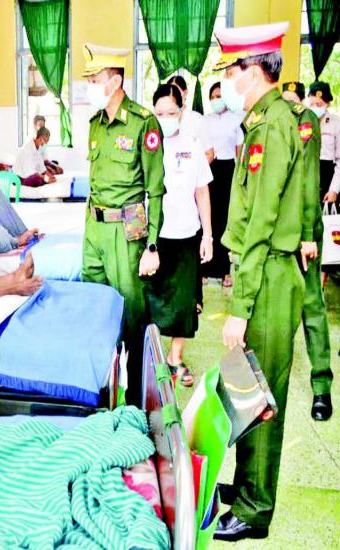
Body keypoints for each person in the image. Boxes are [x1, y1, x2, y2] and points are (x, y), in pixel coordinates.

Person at [212, 22, 305, 542]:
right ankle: (248, 483)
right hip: (259, 271)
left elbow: (262, 224)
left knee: (261, 392)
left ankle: (255, 508)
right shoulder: (263, 123)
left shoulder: (272, 127)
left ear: (255, 71)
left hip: (268, 276)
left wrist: (241, 306)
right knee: (246, 386)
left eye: (232, 69)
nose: (228, 79)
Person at [81, 43, 164, 404]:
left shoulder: (143, 123)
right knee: (94, 310)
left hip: (125, 233)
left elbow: (156, 191)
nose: (89, 86)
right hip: (95, 230)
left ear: (115, 82)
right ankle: (99, 393)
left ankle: (135, 401)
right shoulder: (95, 125)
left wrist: (152, 245)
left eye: (94, 79)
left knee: (132, 318)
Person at [145, 84, 213, 388]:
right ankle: (152, 356)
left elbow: (202, 191)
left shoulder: (192, 145)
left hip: (186, 234)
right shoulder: (147, 144)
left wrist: (207, 235)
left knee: (184, 302)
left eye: (170, 113)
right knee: (153, 297)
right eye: (159, 114)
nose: (164, 119)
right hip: (154, 237)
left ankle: (175, 357)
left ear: (182, 111)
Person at [283, 81, 334, 421]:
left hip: (304, 233)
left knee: (312, 308)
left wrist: (306, 235)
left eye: (293, 100)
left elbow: (308, 179)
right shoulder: (264, 120)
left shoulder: (305, 123)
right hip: (275, 233)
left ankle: (321, 386)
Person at [203, 82, 244, 289]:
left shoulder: (237, 119)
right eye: (213, 96)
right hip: (209, 169)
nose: (216, 100)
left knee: (224, 221)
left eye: (219, 96)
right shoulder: (206, 120)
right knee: (208, 218)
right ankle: (205, 269)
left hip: (228, 170)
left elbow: (240, 151)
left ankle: (224, 271)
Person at [167, 75, 216, 162]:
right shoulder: (163, 120)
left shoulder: (197, 119)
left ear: (185, 93)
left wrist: (194, 169)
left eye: (176, 91)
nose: (173, 96)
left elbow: (209, 154)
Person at [308, 82, 340, 206]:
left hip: (328, 178)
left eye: (319, 104)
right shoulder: (304, 123)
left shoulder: (336, 124)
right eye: (312, 104)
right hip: (308, 176)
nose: (314, 108)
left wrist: (334, 189)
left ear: (328, 104)